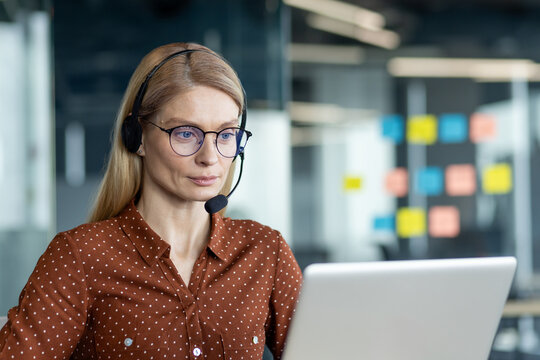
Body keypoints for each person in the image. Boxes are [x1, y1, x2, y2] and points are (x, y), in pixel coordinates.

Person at [0, 42, 303, 360]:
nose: (210, 157)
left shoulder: (264, 251)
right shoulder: (81, 258)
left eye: (226, 135)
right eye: (186, 133)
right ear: (137, 137)